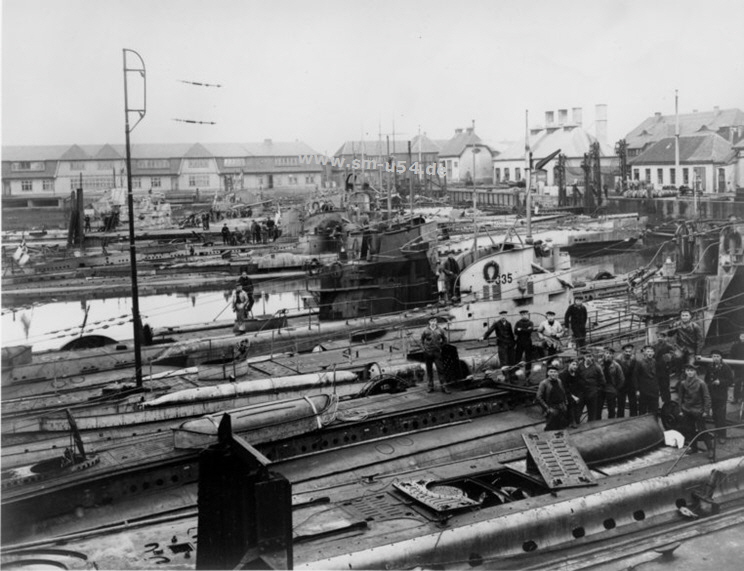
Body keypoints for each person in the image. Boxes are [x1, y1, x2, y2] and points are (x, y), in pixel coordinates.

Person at [678, 363, 713, 458]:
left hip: (698, 410)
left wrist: (706, 410)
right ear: (685, 372)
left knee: (702, 430)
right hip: (687, 410)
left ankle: (710, 449)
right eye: (688, 370)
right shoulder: (683, 383)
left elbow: (707, 397)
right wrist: (680, 409)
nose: (690, 372)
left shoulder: (701, 383)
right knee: (690, 429)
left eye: (692, 370)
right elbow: (680, 397)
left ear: (695, 372)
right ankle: (694, 448)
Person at [704, 349, 733, 443]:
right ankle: (717, 432)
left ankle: (722, 436)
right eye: (714, 356)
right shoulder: (710, 366)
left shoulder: (725, 367)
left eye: (717, 356)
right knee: (715, 416)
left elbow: (730, 381)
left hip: (721, 395)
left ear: (721, 357)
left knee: (721, 416)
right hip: (712, 394)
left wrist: (720, 382)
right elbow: (706, 379)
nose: (715, 358)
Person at [668, 310, 703, 376]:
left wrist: (698, 353)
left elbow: (700, 340)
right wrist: (670, 327)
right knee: (677, 358)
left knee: (691, 365)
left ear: (690, 316)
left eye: (686, 315)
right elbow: (670, 334)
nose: (685, 317)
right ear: (680, 316)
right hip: (680, 347)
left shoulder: (695, 326)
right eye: (683, 315)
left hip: (691, 348)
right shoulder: (677, 324)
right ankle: (679, 374)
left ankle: (691, 378)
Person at [421, 317, 449, 393]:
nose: (433, 322)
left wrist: (441, 347)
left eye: (435, 321)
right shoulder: (425, 330)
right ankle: (430, 387)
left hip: (437, 353)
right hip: (428, 353)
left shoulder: (440, 330)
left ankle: (444, 387)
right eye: (431, 321)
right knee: (429, 370)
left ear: (436, 322)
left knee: (441, 370)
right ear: (429, 322)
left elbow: (445, 339)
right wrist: (424, 349)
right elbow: (422, 340)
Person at [535, 366, 569, 430]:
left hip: (562, 407)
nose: (553, 374)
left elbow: (563, 392)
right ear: (548, 373)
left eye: (555, 372)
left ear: (558, 373)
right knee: (550, 427)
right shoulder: (544, 383)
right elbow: (538, 397)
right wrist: (547, 408)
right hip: (552, 408)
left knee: (561, 426)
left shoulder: (559, 381)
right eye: (551, 372)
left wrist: (565, 403)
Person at [577, 352, 605, 421]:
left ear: (592, 357)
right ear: (584, 356)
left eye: (590, 356)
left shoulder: (597, 367)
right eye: (587, 356)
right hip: (581, 393)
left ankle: (590, 429)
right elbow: (576, 378)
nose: (588, 358)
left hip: (592, 393)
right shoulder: (580, 366)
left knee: (592, 414)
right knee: (578, 412)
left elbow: (602, 381)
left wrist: (596, 390)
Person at [633, 345, 660, 415]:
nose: (650, 353)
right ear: (644, 353)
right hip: (644, 390)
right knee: (643, 409)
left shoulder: (655, 362)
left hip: (654, 389)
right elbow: (635, 377)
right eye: (648, 351)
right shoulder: (639, 363)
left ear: (654, 353)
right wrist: (637, 390)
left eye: (651, 351)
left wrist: (658, 387)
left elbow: (657, 375)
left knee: (654, 409)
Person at [599, 347, 624, 419]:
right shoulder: (599, 364)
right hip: (601, 388)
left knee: (611, 408)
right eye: (607, 353)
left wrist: (616, 389)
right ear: (604, 354)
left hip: (611, 387)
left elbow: (621, 379)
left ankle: (611, 422)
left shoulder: (616, 365)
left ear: (613, 355)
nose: (608, 355)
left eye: (610, 354)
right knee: (598, 407)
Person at [559, 359, 583, 427]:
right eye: (573, 364)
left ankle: (576, 419)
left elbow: (579, 385)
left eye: (576, 365)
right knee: (571, 402)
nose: (575, 366)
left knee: (580, 400)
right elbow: (564, 388)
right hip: (566, 394)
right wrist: (573, 396)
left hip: (575, 393)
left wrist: (578, 396)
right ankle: (572, 421)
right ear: (569, 364)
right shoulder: (563, 374)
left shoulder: (577, 374)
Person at [616, 343, 638, 417]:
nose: (628, 353)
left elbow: (635, 372)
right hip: (621, 385)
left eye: (630, 351)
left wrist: (636, 386)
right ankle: (620, 419)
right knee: (621, 404)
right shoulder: (618, 360)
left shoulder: (633, 359)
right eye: (626, 351)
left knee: (633, 403)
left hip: (631, 384)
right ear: (623, 351)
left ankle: (634, 418)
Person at [653, 331, 675, 403]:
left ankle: (667, 403)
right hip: (656, 369)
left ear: (665, 337)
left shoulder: (668, 346)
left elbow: (673, 356)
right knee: (656, 387)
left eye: (661, 337)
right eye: (658, 337)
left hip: (665, 369)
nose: (659, 338)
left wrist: (669, 365)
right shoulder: (654, 346)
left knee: (665, 387)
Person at [729, 332, 744, 403]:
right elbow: (731, 355)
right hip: (738, 368)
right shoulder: (735, 346)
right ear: (739, 337)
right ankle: (736, 398)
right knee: (737, 383)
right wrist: (734, 365)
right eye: (742, 336)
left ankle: (742, 398)